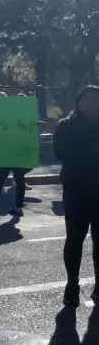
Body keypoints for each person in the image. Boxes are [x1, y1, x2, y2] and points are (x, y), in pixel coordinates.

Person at [53, 85, 99, 307]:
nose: (91, 104)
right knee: (74, 240)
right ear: (79, 102)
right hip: (76, 191)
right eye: (87, 99)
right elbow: (59, 151)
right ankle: (72, 284)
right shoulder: (66, 125)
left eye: (95, 100)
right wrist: (91, 149)